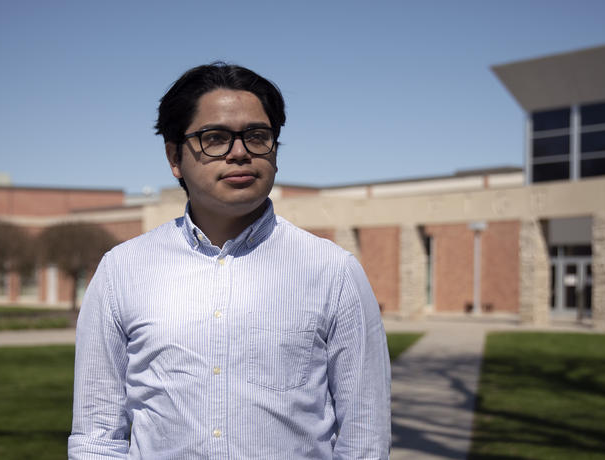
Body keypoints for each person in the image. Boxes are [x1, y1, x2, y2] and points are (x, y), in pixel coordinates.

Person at [68, 62, 391, 459]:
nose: (240, 152)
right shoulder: (123, 271)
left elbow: (365, 438)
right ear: (174, 157)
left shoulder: (333, 271)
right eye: (214, 138)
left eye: (257, 136)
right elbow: (96, 436)